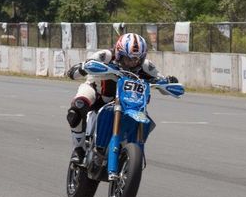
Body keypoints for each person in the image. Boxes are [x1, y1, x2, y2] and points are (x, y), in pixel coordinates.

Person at [65, 33, 177, 165]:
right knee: (78, 105)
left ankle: (129, 152)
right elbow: (74, 73)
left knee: (143, 116)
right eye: (128, 58)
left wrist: (169, 82)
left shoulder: (146, 66)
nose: (132, 62)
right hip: (97, 92)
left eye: (137, 59)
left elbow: (161, 81)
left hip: (126, 102)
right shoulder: (105, 56)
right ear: (118, 53)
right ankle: (78, 149)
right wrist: (82, 68)